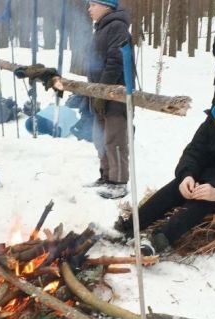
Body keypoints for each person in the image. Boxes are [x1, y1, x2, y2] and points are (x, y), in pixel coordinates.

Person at [115, 70, 215, 256]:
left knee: (202, 201)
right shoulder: (214, 122)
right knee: (176, 187)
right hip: (209, 179)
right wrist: (187, 175)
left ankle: (159, 240)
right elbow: (194, 151)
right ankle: (129, 228)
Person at [87, 0, 134, 199]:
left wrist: (103, 91)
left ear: (107, 6)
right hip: (99, 92)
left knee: (115, 138)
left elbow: (116, 61)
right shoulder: (101, 28)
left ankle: (118, 182)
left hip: (116, 94)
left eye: (93, 5)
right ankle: (106, 176)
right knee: (101, 137)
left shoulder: (117, 26)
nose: (89, 9)